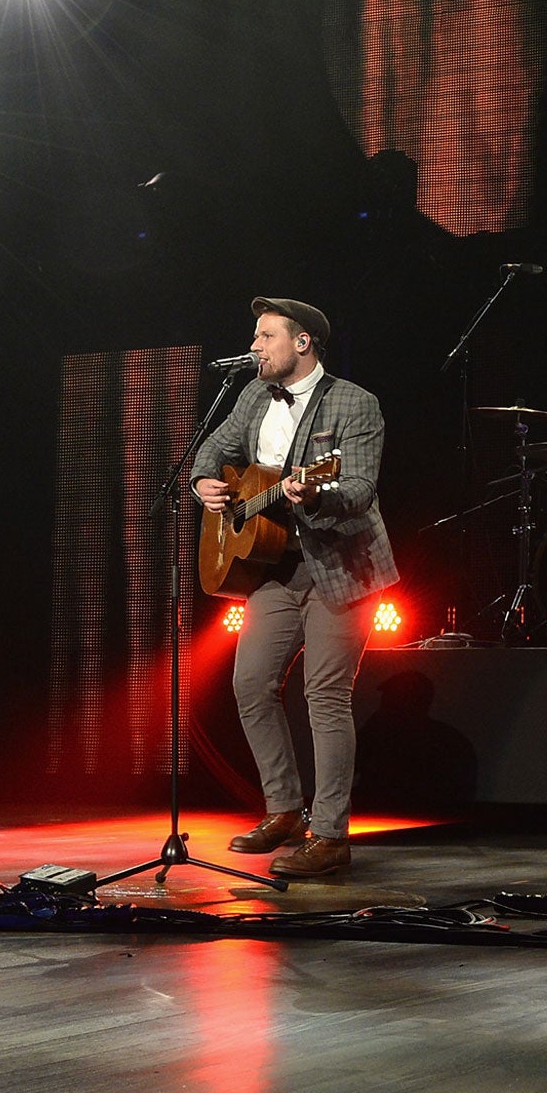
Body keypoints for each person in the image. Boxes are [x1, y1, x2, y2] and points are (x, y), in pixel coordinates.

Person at [192, 297, 398, 878]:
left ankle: (330, 836)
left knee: (324, 695)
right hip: (273, 568)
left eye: (264, 335)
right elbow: (213, 450)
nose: (254, 346)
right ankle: (284, 810)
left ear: (301, 342)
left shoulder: (356, 402)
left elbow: (357, 488)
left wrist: (317, 493)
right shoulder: (253, 394)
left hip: (340, 565)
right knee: (251, 684)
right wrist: (205, 482)